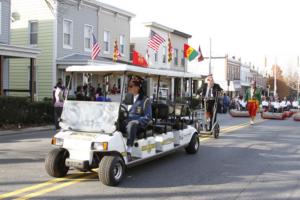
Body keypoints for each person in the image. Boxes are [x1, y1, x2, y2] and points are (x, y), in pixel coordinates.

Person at [124, 76, 152, 161]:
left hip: (138, 125)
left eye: (130, 86)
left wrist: (138, 121)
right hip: (126, 121)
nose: (128, 88)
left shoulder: (145, 100)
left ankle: (129, 151)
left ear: (137, 88)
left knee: (131, 125)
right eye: (128, 86)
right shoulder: (127, 98)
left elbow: (148, 116)